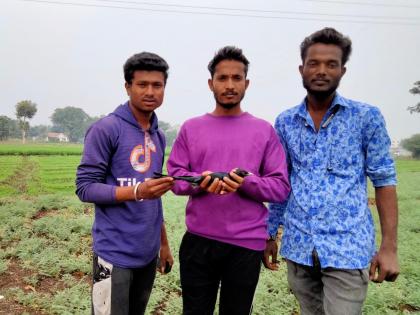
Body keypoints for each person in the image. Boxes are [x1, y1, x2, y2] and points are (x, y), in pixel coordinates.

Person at [264, 27, 399, 315]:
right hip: (299, 248)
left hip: (347, 250)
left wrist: (389, 247)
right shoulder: (286, 122)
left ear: (342, 71)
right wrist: (269, 234)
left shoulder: (366, 117)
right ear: (302, 69)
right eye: (314, 63)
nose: (321, 70)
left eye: (331, 64)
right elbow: (281, 181)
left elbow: (384, 180)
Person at [167, 46, 290, 315]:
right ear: (211, 83)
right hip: (198, 242)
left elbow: (280, 187)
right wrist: (201, 181)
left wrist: (246, 182)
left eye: (237, 78)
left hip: (245, 245)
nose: (230, 85)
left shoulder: (263, 130)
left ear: (247, 84)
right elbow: (176, 179)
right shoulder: (191, 127)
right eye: (223, 78)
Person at [76, 52, 174, 315]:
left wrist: (163, 244)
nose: (151, 91)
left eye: (158, 85)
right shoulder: (106, 129)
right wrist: (136, 191)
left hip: (147, 254)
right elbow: (85, 187)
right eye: (142, 84)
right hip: (113, 254)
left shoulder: (159, 135)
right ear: (128, 87)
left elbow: (154, 196)